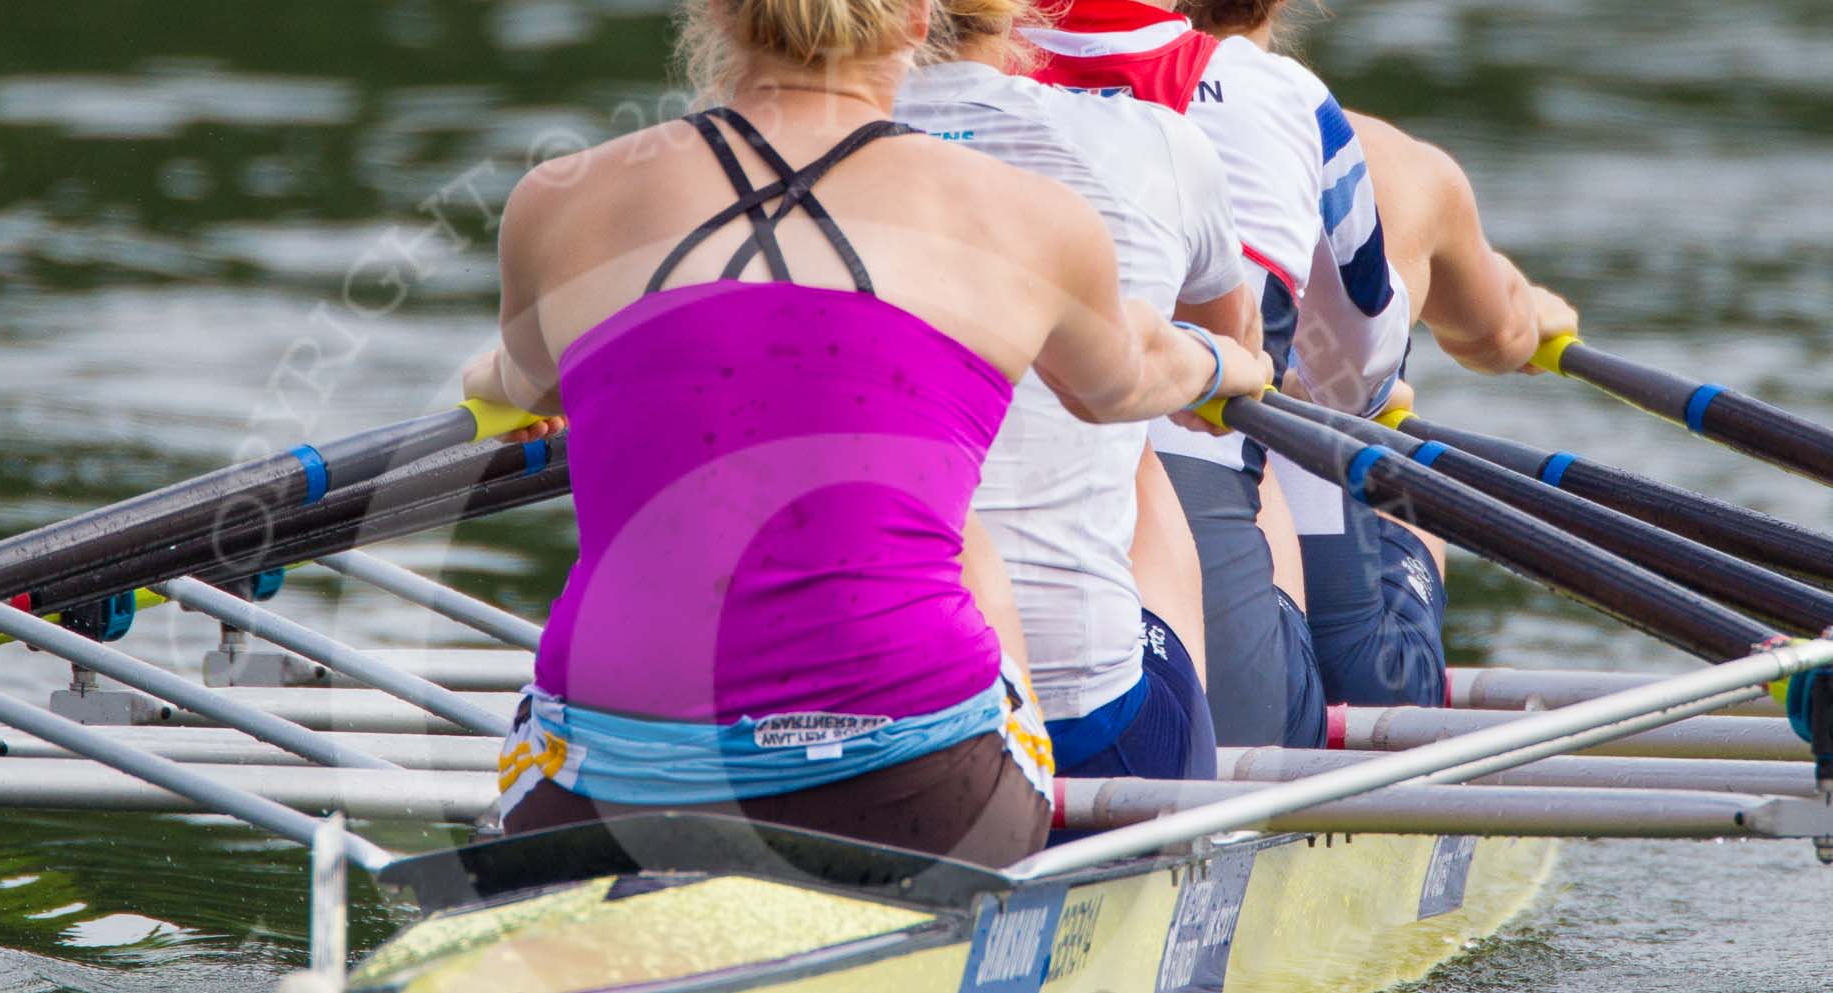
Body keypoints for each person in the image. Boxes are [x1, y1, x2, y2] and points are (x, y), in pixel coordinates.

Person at [460, 0, 1271, 866]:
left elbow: (512, 381)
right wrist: (1233, 368)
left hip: (601, 794)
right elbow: (1128, 384)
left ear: (714, 14)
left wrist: (501, 388)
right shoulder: (1032, 216)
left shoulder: (553, 203)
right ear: (921, 21)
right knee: (960, 538)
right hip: (913, 798)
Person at [1027, 0, 1431, 732]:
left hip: (981, 628)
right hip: (1220, 695)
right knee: (1358, 416)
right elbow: (1357, 371)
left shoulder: (964, 91)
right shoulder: (1286, 101)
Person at [893, 0, 1260, 783]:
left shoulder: (764, 167)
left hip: (843, 707)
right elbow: (1217, 379)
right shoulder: (1155, 142)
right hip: (1085, 733)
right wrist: (1230, 369)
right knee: (1137, 430)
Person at [1331, 109, 1582, 576]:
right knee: (1409, 481)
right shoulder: (1386, 157)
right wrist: (1525, 305)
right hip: (1331, 571)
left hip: (1191, 543)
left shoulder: (1154, 135)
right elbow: (1497, 337)